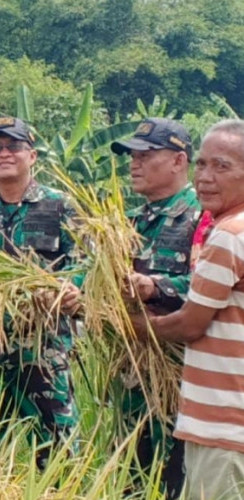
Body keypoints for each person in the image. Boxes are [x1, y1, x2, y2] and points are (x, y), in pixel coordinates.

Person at [0, 116, 81, 469]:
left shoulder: (60, 206)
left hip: (43, 351)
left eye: (13, 146)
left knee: (58, 454)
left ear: (32, 156)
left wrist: (71, 289)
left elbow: (85, 263)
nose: (4, 153)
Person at [141, 119, 244, 499]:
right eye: (201, 165)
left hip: (223, 427)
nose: (205, 177)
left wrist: (134, 326)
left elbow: (190, 325)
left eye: (222, 166)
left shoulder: (229, 236)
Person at [110, 117, 201, 499]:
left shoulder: (202, 218)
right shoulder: (127, 222)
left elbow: (213, 287)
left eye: (146, 154)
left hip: (180, 374)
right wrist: (70, 290)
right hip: (129, 375)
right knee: (129, 473)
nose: (135, 162)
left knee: (174, 478)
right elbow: (96, 275)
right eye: (132, 155)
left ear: (179, 161)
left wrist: (155, 286)